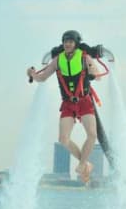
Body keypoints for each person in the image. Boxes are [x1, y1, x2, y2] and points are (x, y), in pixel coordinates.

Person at [27, 30, 102, 183]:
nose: (67, 44)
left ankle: (81, 165)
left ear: (76, 44)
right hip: (68, 104)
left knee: (92, 135)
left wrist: (92, 73)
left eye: (70, 41)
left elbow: (97, 74)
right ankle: (85, 164)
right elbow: (42, 78)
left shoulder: (84, 57)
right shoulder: (57, 60)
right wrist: (32, 74)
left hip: (84, 101)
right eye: (65, 41)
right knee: (63, 139)